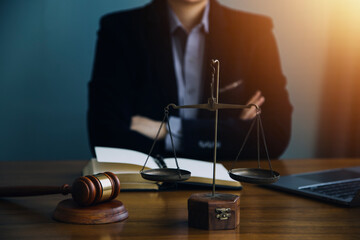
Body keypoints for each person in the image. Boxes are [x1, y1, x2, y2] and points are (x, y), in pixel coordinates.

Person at [87, 0, 292, 160]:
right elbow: (105, 136)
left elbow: (275, 135)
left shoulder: (255, 31)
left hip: (233, 187)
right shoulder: (118, 30)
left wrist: (169, 131)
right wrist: (233, 129)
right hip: (149, 183)